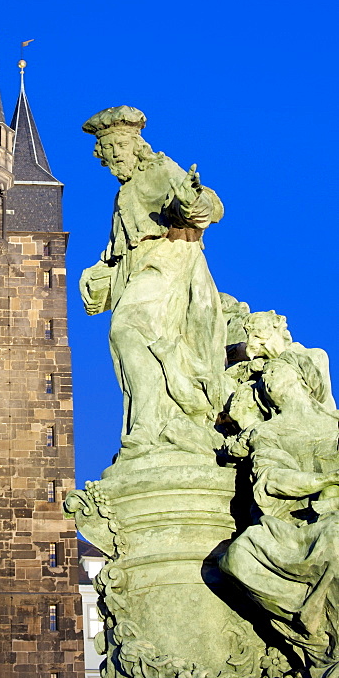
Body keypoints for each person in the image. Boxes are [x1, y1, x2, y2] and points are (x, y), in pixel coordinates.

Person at [80, 106, 226, 456]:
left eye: (119, 147)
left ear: (135, 145)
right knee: (132, 338)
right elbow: (120, 247)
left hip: (169, 262)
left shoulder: (160, 169)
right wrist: (99, 274)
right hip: (139, 268)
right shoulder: (123, 193)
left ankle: (150, 422)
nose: (114, 157)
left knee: (126, 329)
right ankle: (153, 419)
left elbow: (206, 207)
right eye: (108, 151)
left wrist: (193, 200)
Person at [220, 358, 339, 678]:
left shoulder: (335, 424)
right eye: (263, 378)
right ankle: (313, 636)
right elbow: (271, 480)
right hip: (293, 526)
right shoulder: (268, 431)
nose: (267, 378)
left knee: (335, 535)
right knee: (238, 557)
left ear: (301, 377)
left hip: (331, 519)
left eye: (277, 369)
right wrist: (325, 479)